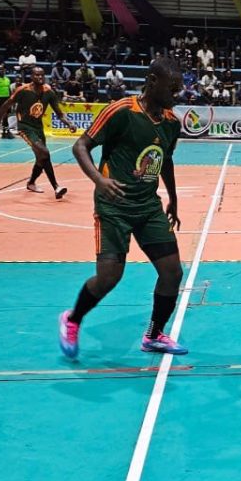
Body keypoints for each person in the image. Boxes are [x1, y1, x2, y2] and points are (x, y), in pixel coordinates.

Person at [58, 58, 189, 358]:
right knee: (109, 278)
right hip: (113, 206)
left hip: (148, 206)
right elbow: (80, 146)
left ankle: (154, 335)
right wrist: (98, 181)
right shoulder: (121, 111)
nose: (177, 95)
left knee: (172, 273)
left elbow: (164, 160)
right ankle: (72, 319)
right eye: (173, 88)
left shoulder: (171, 122)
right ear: (153, 81)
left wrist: (174, 198)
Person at [0, 66, 78, 197]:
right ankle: (56, 187)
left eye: (42, 75)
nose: (40, 77)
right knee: (44, 152)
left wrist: (69, 123)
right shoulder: (22, 90)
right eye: (37, 75)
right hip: (25, 127)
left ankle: (31, 183)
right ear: (31, 76)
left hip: (38, 128)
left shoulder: (49, 92)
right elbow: (6, 104)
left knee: (42, 158)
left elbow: (59, 113)